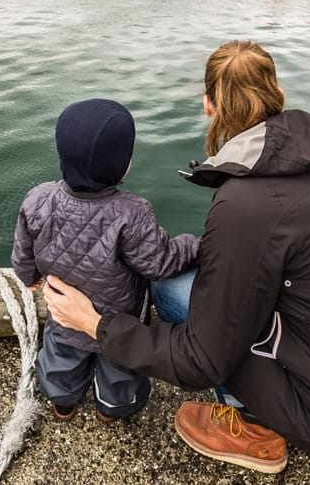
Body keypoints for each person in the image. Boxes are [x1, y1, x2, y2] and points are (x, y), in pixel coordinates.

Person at [44, 41, 310, 474]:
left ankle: (252, 426)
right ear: (276, 93)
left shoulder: (245, 204)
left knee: (170, 287)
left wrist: (96, 325)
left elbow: (203, 360)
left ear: (208, 104)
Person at [12, 98, 200, 422]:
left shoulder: (37, 199)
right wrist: (194, 245)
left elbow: (22, 253)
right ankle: (112, 410)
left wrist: (29, 276)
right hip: (118, 319)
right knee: (119, 368)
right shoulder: (133, 213)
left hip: (64, 312)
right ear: (122, 165)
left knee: (61, 355)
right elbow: (160, 263)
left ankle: (63, 404)